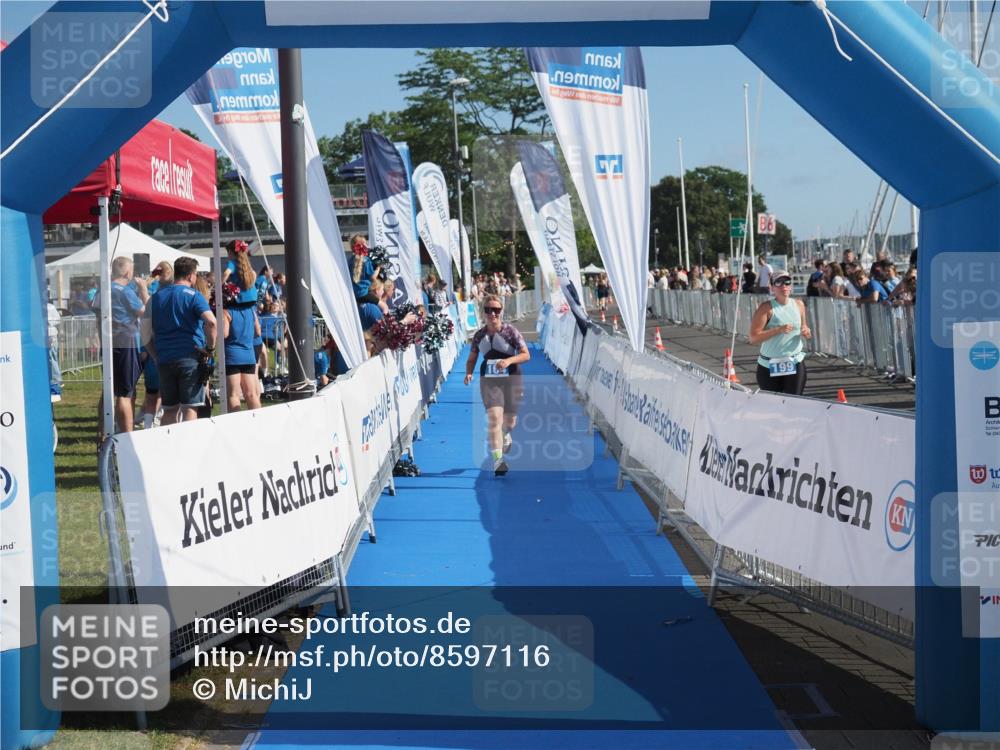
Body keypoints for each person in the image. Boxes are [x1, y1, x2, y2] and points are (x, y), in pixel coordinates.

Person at [144, 257, 217, 426]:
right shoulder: (194, 296)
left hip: (164, 358)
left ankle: (169, 448)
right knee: (189, 409)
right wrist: (210, 348)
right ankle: (187, 449)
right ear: (192, 276)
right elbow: (212, 322)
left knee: (169, 410)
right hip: (190, 358)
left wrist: (155, 356)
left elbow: (145, 332)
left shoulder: (155, 297)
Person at [463, 295, 530, 477]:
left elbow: (526, 355)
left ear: (501, 311)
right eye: (488, 310)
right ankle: (498, 461)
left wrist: (509, 361)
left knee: (509, 422)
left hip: (512, 378)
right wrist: (469, 372)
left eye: (496, 310)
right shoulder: (479, 335)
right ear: (483, 312)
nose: (493, 313)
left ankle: (505, 433)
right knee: (494, 419)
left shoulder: (511, 332)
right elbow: (471, 359)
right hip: (489, 379)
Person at [100, 256, 149, 436]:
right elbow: (144, 312)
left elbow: (96, 311)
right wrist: (143, 290)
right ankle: (127, 435)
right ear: (128, 272)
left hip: (107, 341)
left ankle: (103, 433)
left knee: (108, 389)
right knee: (125, 392)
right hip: (126, 342)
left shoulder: (103, 289)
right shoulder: (125, 291)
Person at [749, 272, 811, 395]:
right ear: (772, 288)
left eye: (787, 282)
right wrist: (778, 330)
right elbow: (753, 338)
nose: (784, 286)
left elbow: (804, 328)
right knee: (774, 406)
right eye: (779, 282)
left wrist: (806, 332)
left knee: (795, 402)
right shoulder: (766, 308)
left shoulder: (799, 304)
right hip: (769, 364)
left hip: (794, 362)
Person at [222, 242, 263, 412]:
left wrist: (219, 287)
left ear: (231, 252)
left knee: (233, 395)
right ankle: (260, 424)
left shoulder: (227, 313)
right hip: (249, 354)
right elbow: (257, 332)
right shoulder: (251, 311)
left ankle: (235, 428)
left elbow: (223, 334)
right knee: (252, 394)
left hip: (232, 355)